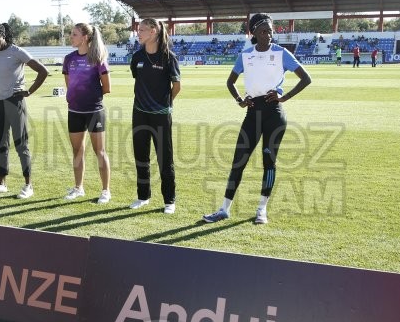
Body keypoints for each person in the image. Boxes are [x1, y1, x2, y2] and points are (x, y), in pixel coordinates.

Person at [203, 13, 312, 225]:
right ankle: (224, 209)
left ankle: (261, 209)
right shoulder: (245, 55)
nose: (268, 34)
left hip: (274, 114)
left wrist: (284, 97)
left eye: (271, 30)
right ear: (253, 33)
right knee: (238, 161)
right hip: (252, 114)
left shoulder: (282, 53)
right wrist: (239, 100)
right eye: (263, 31)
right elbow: (230, 82)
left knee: (268, 163)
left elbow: (306, 78)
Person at [0, 21, 48, 199]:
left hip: (15, 101)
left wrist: (29, 91)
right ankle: (1, 183)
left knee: (21, 144)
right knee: (1, 143)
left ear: (3, 36)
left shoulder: (17, 52)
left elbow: (43, 71)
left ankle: (28, 185)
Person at [129, 18, 181, 214]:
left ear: (153, 32)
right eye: (138, 29)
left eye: (142, 30)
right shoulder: (137, 56)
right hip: (139, 113)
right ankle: (143, 196)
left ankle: (169, 201)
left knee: (164, 159)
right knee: (141, 156)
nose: (138, 33)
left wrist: (166, 104)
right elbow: (138, 77)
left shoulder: (169, 57)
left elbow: (176, 87)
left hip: (161, 115)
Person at [62, 23, 112, 204]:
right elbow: (69, 84)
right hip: (74, 111)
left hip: (94, 111)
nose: (71, 37)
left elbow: (107, 87)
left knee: (100, 151)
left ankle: (105, 191)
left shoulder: (97, 59)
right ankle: (78, 188)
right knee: (77, 151)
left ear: (85, 37)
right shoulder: (69, 59)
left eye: (74, 34)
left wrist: (90, 96)